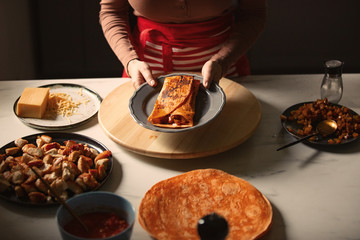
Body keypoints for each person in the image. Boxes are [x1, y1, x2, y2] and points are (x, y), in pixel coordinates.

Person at [99, 0, 267, 89]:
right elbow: (111, 11)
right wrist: (130, 60)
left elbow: (253, 13)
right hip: (144, 68)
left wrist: (223, 61)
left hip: (224, 68)